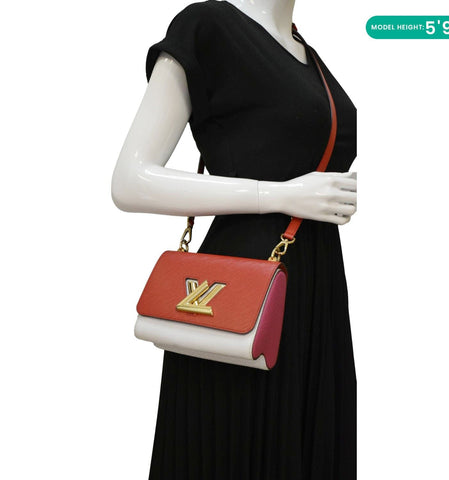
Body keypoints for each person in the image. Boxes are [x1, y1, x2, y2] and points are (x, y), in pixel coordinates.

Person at [111, 0, 358, 478]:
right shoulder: (208, 26)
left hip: (317, 293)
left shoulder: (308, 54)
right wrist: (279, 194)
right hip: (238, 295)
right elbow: (129, 181)